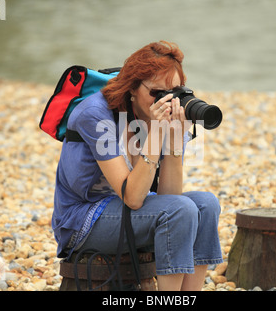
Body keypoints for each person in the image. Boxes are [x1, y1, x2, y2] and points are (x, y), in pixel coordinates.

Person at [52, 41, 223, 291]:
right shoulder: (95, 115)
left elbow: (169, 198)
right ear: (132, 87)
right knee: (180, 210)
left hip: (133, 210)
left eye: (175, 92)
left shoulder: (161, 114)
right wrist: (156, 132)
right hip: (83, 219)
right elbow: (132, 197)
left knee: (206, 205)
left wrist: (174, 140)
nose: (166, 101)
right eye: (157, 93)